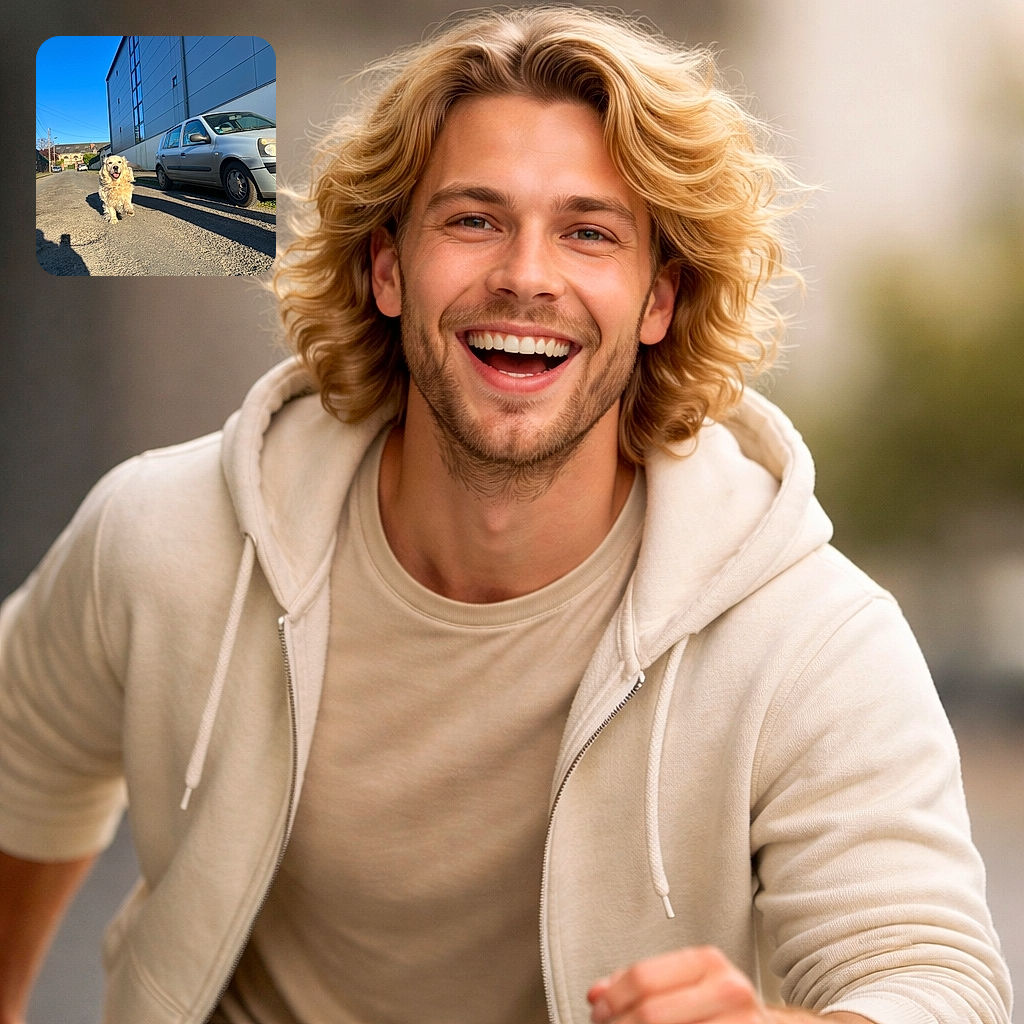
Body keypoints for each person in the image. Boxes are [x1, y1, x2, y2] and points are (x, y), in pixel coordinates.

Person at [0, 8, 1013, 1024]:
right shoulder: (164, 539)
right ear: (387, 269)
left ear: (658, 302)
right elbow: (19, 777)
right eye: (473, 220)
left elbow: (938, 982)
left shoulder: (807, 635)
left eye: (588, 232)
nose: (527, 275)